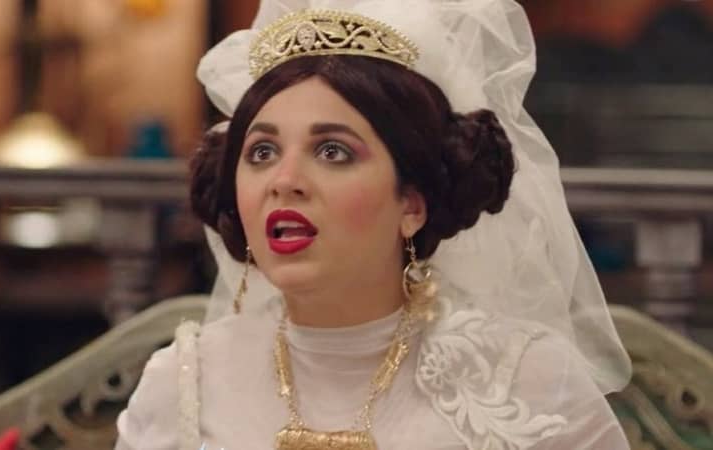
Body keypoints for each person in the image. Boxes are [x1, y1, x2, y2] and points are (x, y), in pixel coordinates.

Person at [115, 1, 633, 449]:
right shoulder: (183, 383)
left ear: (412, 204)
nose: (284, 181)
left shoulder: (530, 382)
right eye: (263, 152)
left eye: (332, 151)